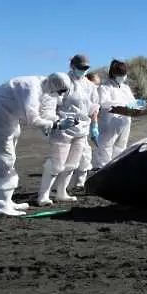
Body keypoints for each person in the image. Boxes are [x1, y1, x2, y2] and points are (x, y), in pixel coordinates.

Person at [0, 72, 76, 216]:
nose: (59, 95)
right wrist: (56, 125)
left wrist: (55, 121)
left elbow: (44, 112)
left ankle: (6, 200)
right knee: (3, 161)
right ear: (55, 86)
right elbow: (32, 118)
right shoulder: (32, 88)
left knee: (9, 160)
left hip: (8, 119)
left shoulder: (43, 86)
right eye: (59, 91)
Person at [37, 54, 100, 206]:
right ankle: (43, 196)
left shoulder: (90, 86)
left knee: (72, 163)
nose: (83, 70)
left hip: (81, 128)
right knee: (56, 163)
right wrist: (49, 122)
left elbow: (94, 106)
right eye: (81, 68)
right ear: (72, 66)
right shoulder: (63, 81)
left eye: (86, 68)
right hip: (63, 127)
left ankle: (61, 192)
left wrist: (94, 126)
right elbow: (51, 102)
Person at [93, 59, 140, 170]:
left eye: (124, 74)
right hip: (110, 122)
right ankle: (101, 173)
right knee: (105, 148)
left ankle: (116, 170)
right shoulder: (105, 87)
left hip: (124, 122)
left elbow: (132, 102)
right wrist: (123, 105)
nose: (123, 77)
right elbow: (104, 103)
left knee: (120, 148)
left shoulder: (125, 88)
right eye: (121, 74)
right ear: (114, 74)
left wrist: (136, 105)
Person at [71, 71, 102, 190]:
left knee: (83, 155)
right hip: (75, 128)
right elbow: (93, 113)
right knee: (82, 155)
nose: (96, 87)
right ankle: (76, 184)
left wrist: (94, 128)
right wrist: (94, 128)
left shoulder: (89, 93)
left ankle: (78, 183)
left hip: (81, 127)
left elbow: (94, 112)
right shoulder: (81, 92)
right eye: (95, 84)